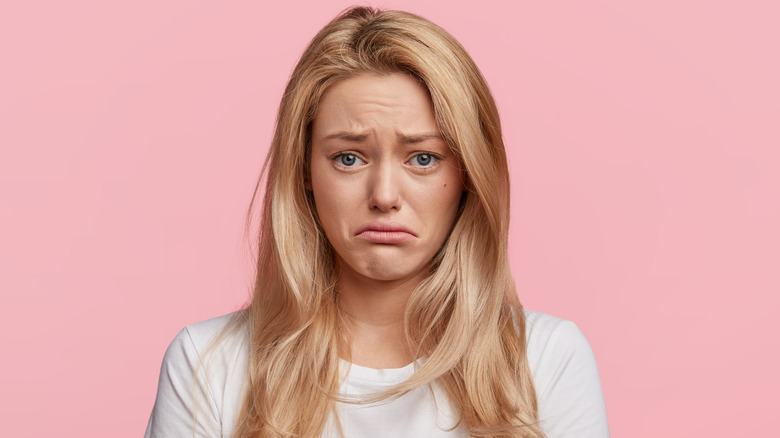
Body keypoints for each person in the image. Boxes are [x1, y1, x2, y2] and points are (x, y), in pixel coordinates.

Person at [144, 7, 609, 438]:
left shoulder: (547, 360)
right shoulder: (207, 363)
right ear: (304, 171)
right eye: (349, 158)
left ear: (468, 174)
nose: (385, 196)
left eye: (423, 158)